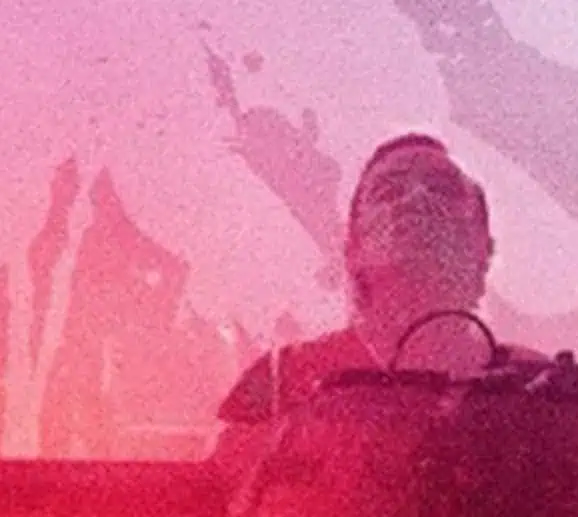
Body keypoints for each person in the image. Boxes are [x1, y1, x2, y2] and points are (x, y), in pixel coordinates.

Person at [207, 135, 531, 506]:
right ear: (353, 248)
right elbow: (221, 495)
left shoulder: (543, 389)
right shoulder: (283, 380)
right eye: (388, 191)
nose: (416, 199)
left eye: (442, 189)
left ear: (483, 246)